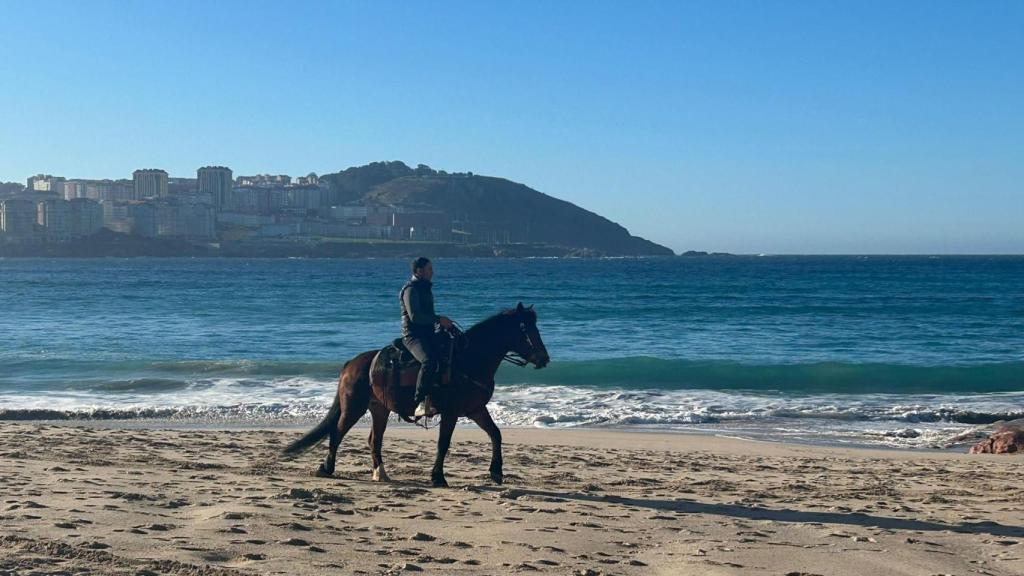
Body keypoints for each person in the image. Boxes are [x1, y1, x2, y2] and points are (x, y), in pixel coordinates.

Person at [400, 257, 453, 417]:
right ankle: (420, 401)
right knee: (428, 360)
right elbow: (415, 316)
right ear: (419, 271)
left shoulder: (425, 288)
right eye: (429, 269)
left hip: (428, 333)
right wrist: (438, 319)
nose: (433, 272)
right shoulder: (410, 289)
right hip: (412, 336)